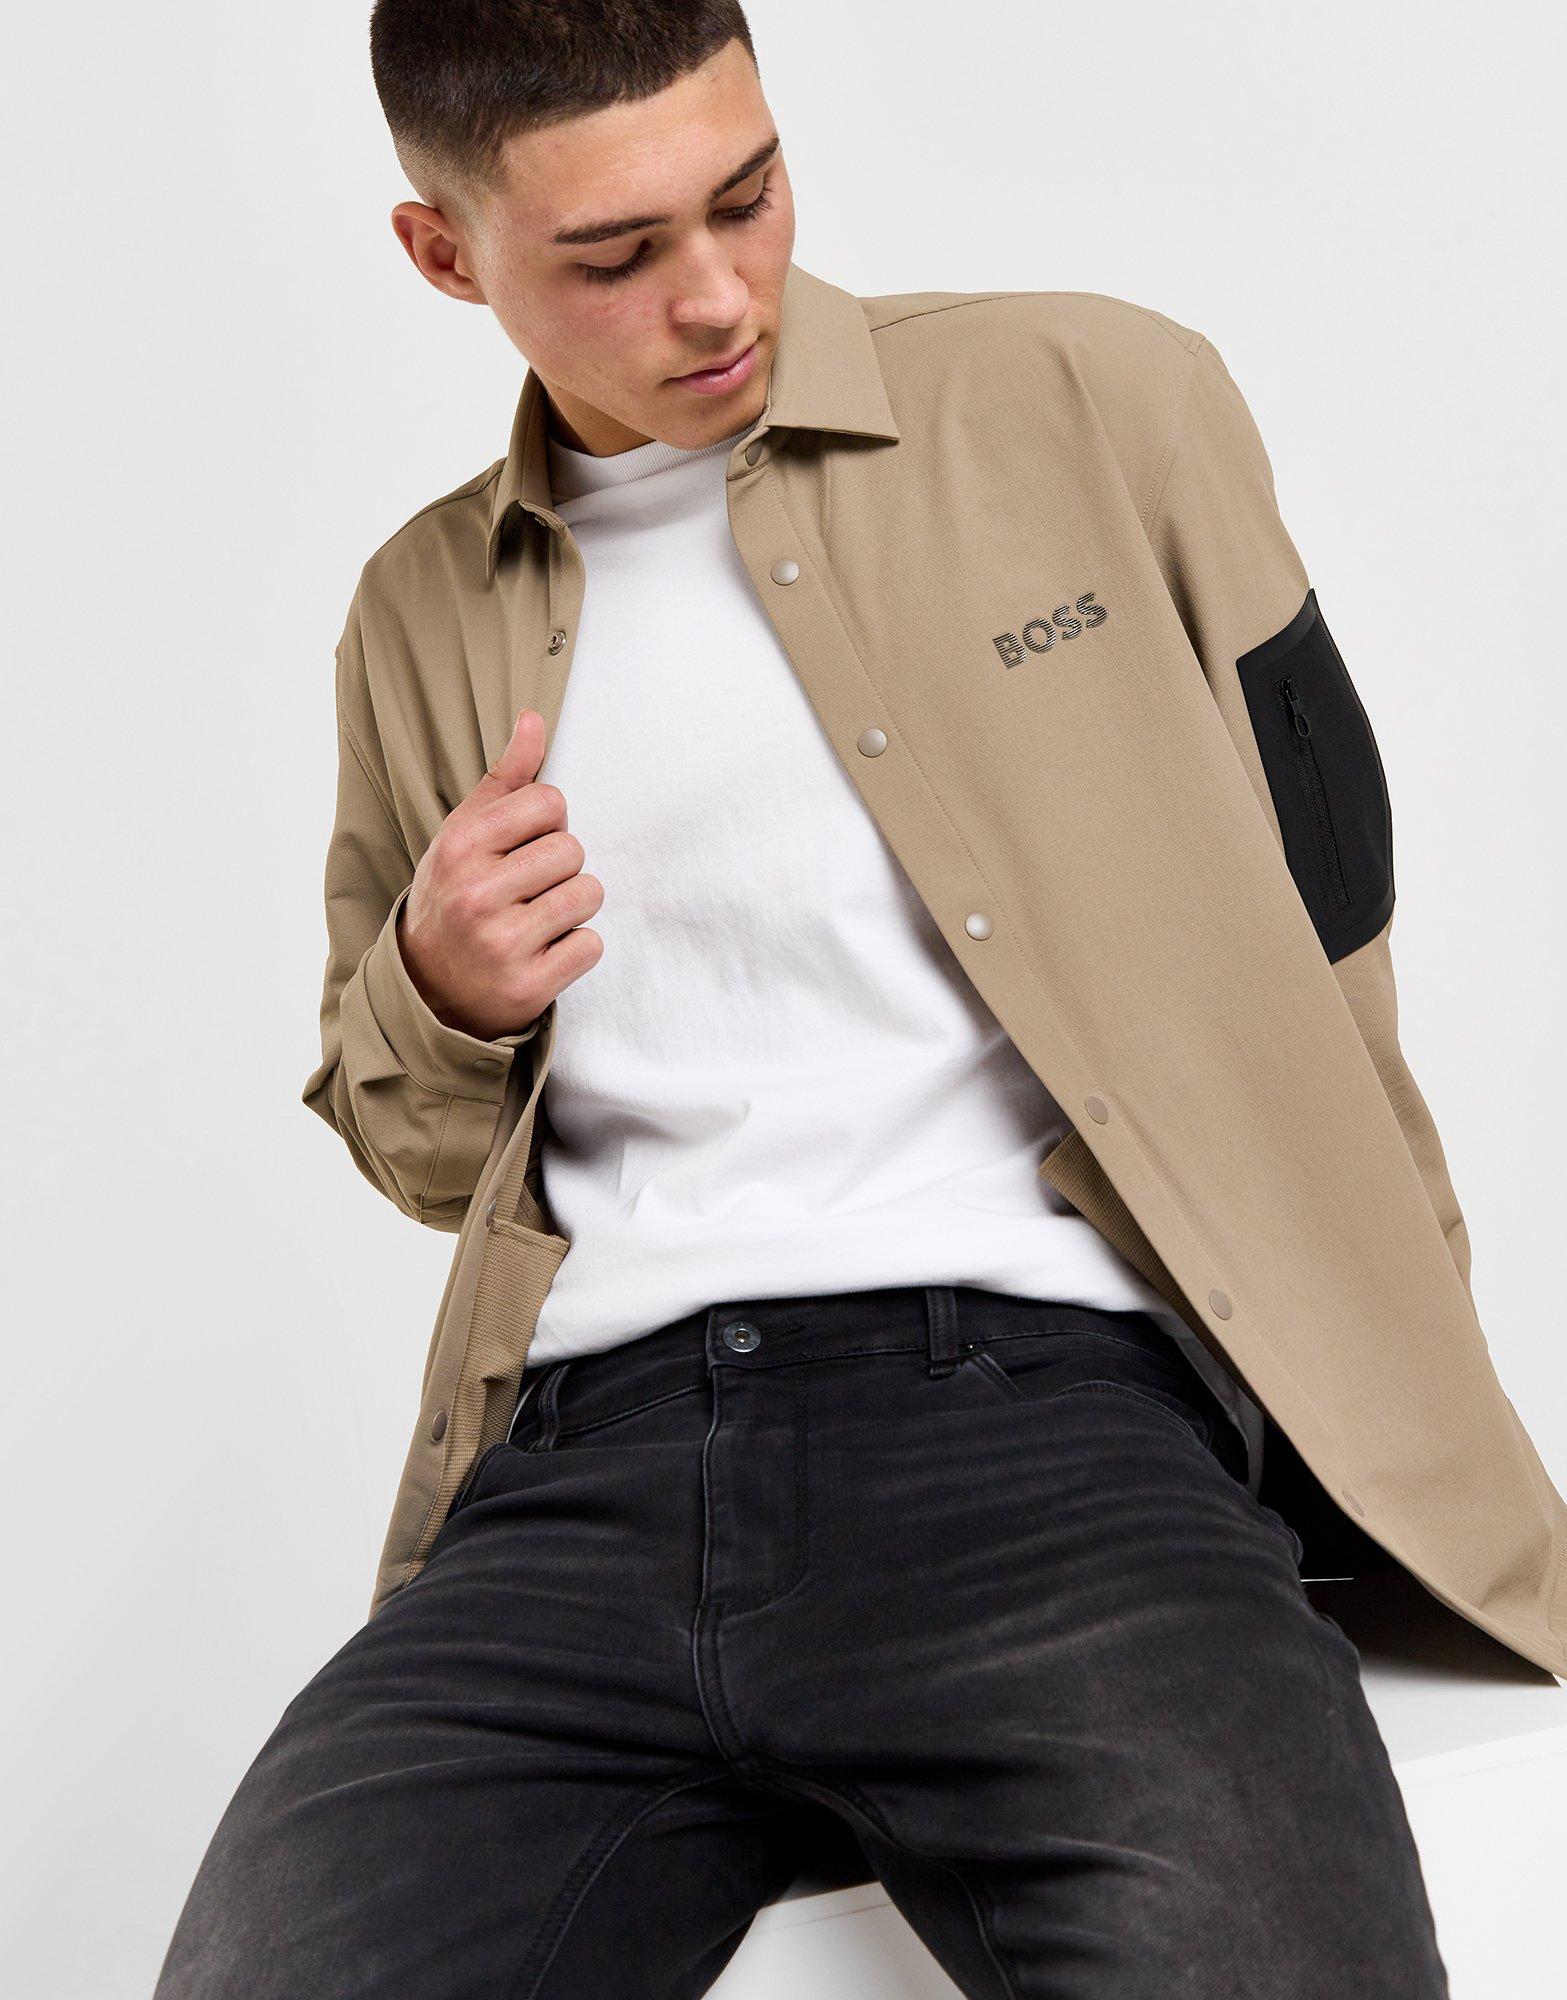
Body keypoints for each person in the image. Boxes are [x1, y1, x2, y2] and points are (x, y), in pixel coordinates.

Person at [155, 4, 1567, 1993]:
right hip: (574, 1492)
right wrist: (441, 986)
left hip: (1048, 1443)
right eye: (614, 253)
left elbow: (1333, 922)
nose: (716, 294)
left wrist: (1389, 1387)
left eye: (746, 197)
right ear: (444, 254)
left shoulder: (1095, 398)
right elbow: (425, 1153)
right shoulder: (420, 609)